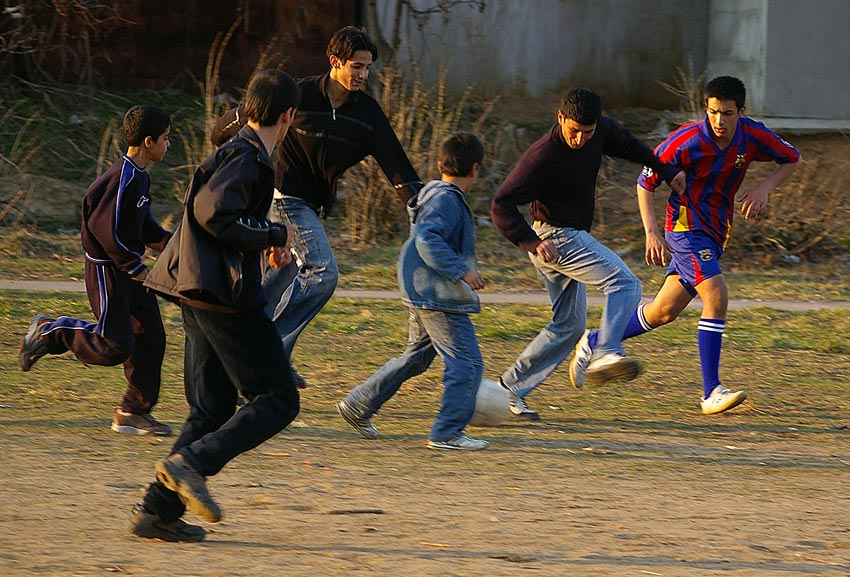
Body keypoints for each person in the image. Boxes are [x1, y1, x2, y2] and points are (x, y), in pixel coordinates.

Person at [129, 70, 302, 542]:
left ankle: (155, 513)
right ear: (287, 116)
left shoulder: (241, 148)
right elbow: (214, 214)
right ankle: (193, 463)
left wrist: (260, 241)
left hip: (198, 287)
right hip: (223, 297)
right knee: (279, 399)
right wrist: (272, 233)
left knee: (212, 407)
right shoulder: (247, 156)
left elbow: (224, 216)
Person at [212, 25, 423, 388]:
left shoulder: (367, 114)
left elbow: (398, 169)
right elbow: (239, 120)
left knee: (271, 287)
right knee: (323, 273)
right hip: (283, 198)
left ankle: (240, 353)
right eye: (356, 66)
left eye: (368, 67)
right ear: (334, 62)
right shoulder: (298, 93)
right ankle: (266, 356)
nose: (363, 75)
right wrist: (223, 139)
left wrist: (427, 208)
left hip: (312, 206)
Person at [580, 76, 801, 415]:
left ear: (741, 111)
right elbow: (645, 182)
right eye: (712, 112)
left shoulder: (752, 135)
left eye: (727, 113)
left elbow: (792, 159)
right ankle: (711, 390)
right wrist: (652, 232)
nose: (719, 121)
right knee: (717, 294)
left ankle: (597, 341)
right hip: (685, 228)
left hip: (715, 231)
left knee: (663, 312)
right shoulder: (686, 140)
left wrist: (764, 189)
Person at [491, 88, 686, 420]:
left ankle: (506, 390)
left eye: (587, 132)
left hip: (564, 239)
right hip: (554, 237)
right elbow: (501, 204)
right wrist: (530, 242)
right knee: (625, 284)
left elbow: (631, 146)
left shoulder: (602, 131)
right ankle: (606, 351)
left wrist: (666, 171)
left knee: (568, 325)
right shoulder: (542, 156)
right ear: (560, 118)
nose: (580, 139)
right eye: (573, 131)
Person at [18, 105, 174, 436]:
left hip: (129, 270)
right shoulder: (122, 178)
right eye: (165, 139)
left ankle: (133, 411)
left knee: (151, 338)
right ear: (148, 141)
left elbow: (141, 224)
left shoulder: (140, 176)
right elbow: (107, 230)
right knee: (114, 345)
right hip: (109, 272)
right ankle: (50, 329)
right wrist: (138, 268)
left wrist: (169, 243)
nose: (168, 145)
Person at [336, 132, 489, 451]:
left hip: (422, 290)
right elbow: (427, 239)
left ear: (439, 164)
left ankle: (358, 404)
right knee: (467, 361)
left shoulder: (432, 192)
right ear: (476, 169)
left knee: (417, 358)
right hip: (437, 296)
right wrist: (462, 271)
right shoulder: (447, 200)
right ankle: (447, 432)